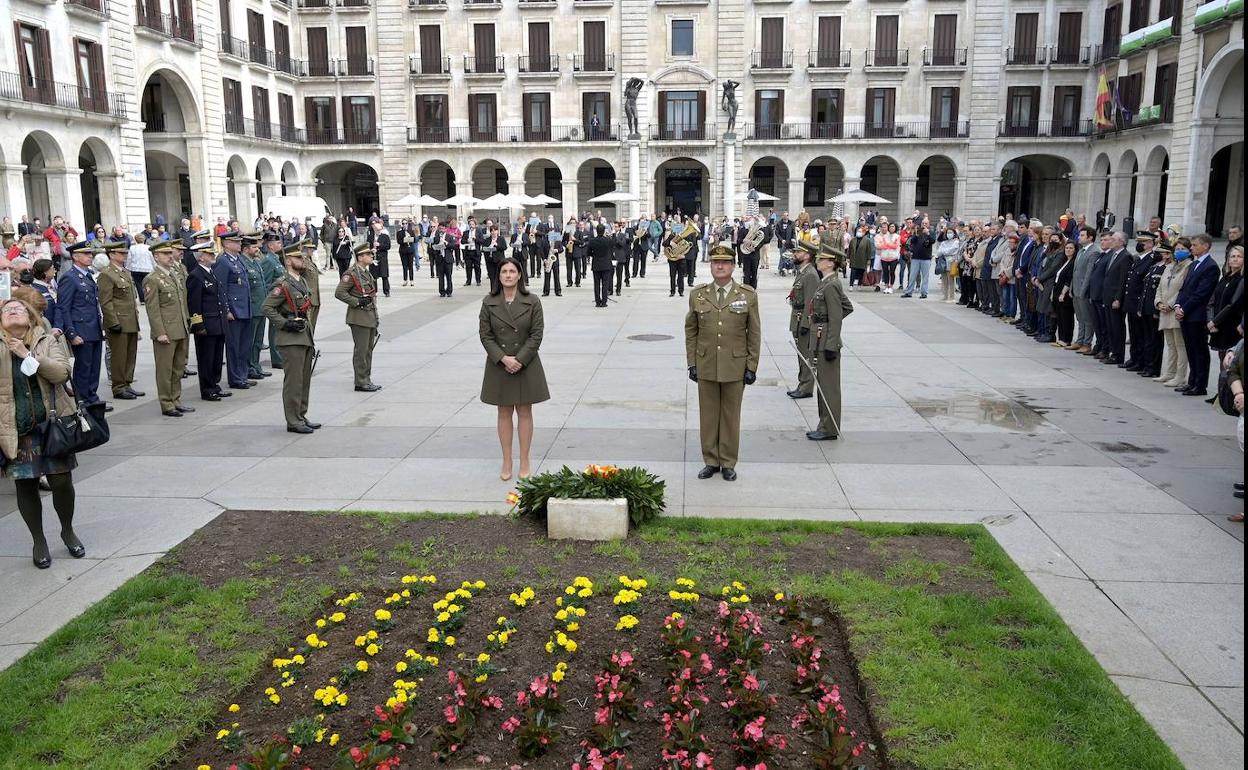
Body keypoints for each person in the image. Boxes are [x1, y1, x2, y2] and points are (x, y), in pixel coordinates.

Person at [1, 297, 84, 569]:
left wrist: (27, 355)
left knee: (61, 482)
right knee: (25, 485)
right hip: (16, 428)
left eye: (19, 309)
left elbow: (61, 373)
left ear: (31, 316)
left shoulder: (47, 340)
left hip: (53, 425)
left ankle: (67, 530)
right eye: (7, 310)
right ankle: (38, 540)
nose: (13, 312)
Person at [685, 243, 761, 481]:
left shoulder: (747, 295)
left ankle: (727, 461)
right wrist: (692, 362)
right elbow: (691, 330)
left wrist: (751, 366)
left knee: (730, 415)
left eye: (725, 262)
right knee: (708, 415)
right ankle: (711, 460)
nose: (720, 266)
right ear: (710, 266)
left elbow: (754, 333)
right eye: (716, 262)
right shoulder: (698, 295)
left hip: (734, 365)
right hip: (706, 363)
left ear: (733, 266)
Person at [478, 257, 549, 480]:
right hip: (500, 365)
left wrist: (519, 359)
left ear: (520, 275)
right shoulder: (489, 302)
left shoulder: (533, 301)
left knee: (525, 412)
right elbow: (485, 335)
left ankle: (525, 460)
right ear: (498, 276)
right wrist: (503, 358)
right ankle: (507, 460)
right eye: (504, 271)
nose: (508, 275)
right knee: (504, 412)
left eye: (512, 271)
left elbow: (537, 334)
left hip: (526, 363)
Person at [264, 242, 320, 434]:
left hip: (304, 336)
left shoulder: (301, 281)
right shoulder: (283, 284)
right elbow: (267, 307)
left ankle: (301, 415)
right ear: (288, 261)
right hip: (290, 339)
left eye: (302, 257)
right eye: (298, 257)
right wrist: (284, 323)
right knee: (294, 382)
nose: (302, 260)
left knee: (304, 380)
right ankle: (293, 420)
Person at [807, 243, 854, 440]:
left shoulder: (832, 284)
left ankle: (829, 428)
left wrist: (831, 342)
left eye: (821, 259)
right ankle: (823, 424)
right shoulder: (827, 281)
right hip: (821, 336)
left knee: (829, 387)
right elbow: (847, 307)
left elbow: (835, 316)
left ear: (830, 263)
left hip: (826, 341)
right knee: (823, 384)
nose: (817, 261)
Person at [54, 241, 105, 407]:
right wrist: (71, 333)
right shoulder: (69, 278)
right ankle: (82, 400)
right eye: (86, 254)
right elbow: (64, 307)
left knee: (94, 368)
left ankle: (92, 397)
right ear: (75, 257)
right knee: (84, 368)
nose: (91, 256)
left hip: (94, 328)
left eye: (91, 253)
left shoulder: (87, 275)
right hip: (81, 330)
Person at [144, 241, 192, 417]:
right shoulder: (152, 278)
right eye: (165, 254)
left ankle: (176, 399)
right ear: (156, 257)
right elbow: (153, 309)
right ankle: (166, 402)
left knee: (178, 368)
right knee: (165, 370)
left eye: (171, 253)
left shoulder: (175, 275)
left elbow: (182, 303)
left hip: (181, 328)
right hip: (166, 332)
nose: (170, 257)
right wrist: (160, 332)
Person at [96, 241, 144, 401]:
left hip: (130, 320)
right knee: (119, 356)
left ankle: (127, 383)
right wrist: (112, 322)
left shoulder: (125, 272)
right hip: (118, 322)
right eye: (121, 253)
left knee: (130, 354)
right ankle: (118, 387)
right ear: (111, 254)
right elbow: (106, 301)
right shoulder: (106, 274)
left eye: (125, 252)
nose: (125, 255)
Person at [1174, 234, 1221, 395]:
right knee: (1190, 349)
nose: (1191, 248)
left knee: (1199, 350)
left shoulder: (1211, 266)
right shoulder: (1194, 264)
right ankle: (1192, 381)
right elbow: (1184, 288)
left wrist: (1184, 309)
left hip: (1197, 315)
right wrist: (1178, 305)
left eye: (1194, 245)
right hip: (1186, 314)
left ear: (1205, 246)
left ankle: (1200, 385)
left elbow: (1201, 294)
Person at [186, 242, 230, 401]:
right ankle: (207, 389)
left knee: (217, 358)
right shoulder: (196, 276)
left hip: (217, 323)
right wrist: (198, 325)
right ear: (201, 257)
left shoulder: (211, 272)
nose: (213, 256)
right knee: (206, 358)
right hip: (206, 325)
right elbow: (194, 303)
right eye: (209, 254)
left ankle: (215, 385)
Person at [335, 243, 382, 392]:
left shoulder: (366, 272)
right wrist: (356, 302)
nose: (371, 256)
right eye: (368, 254)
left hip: (369, 316)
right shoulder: (352, 273)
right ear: (360, 257)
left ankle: (366, 379)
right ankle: (361, 381)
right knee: (361, 351)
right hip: (359, 317)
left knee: (368, 350)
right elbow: (339, 293)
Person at [213, 231, 254, 389]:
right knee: (234, 347)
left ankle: (242, 375)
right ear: (227, 244)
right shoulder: (223, 261)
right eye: (236, 242)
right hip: (234, 311)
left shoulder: (238, 260)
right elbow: (221, 288)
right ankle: (236, 378)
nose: (239, 244)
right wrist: (227, 310)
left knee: (244, 346)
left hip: (244, 308)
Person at [786, 240, 820, 400]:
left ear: (807, 256)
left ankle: (806, 387)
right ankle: (802, 384)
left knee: (806, 355)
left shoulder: (811, 275)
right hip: (797, 317)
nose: (795, 255)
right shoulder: (804, 272)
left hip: (803, 320)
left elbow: (811, 302)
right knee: (801, 354)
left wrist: (806, 323)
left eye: (798, 252)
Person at [1208, 245, 1244, 368]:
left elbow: (1233, 304)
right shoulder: (1225, 277)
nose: (1235, 259)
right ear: (1228, 260)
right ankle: (1223, 387)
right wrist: (1210, 320)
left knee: (1230, 364)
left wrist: (1214, 321)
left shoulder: (1241, 279)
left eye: (1239, 256)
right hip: (1219, 326)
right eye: (1233, 256)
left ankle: (1230, 387)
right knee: (1222, 360)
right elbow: (1212, 300)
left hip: (1232, 325)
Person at [1070, 226, 1100, 353]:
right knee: (1080, 317)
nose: (1079, 237)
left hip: (1084, 290)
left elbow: (1089, 274)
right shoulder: (1081, 250)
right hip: (1076, 288)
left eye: (1082, 235)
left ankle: (1087, 343)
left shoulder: (1094, 251)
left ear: (1090, 237)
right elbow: (1075, 271)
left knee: (1087, 318)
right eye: (1080, 235)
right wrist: (1071, 287)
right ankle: (1079, 340)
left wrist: (1083, 291)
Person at [1050, 239, 1078, 348]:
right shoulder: (1064, 260)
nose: (1068, 250)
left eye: (1071, 248)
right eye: (1067, 248)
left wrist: (1063, 293)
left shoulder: (1073, 262)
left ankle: (1066, 339)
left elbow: (1068, 279)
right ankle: (1061, 338)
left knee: (1066, 317)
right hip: (1057, 290)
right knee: (1059, 316)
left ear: (1075, 250)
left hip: (1065, 293)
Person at [588, 224, 614, 307]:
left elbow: (588, 252)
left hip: (596, 264)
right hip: (606, 264)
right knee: (605, 284)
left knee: (596, 284)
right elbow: (612, 249)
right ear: (604, 231)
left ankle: (597, 302)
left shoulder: (592, 241)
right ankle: (604, 302)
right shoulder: (608, 240)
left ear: (596, 231)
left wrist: (594, 255)